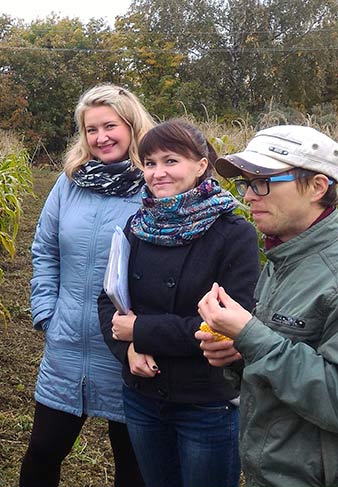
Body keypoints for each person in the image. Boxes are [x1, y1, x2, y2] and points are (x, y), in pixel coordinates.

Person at [196, 125, 338, 487]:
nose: (248, 196)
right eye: (245, 183)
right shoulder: (284, 259)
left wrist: (251, 336)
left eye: (262, 182)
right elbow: (282, 356)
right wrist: (237, 351)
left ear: (317, 187)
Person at [96, 119, 259, 487]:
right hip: (142, 396)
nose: (157, 173)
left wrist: (140, 329)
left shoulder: (233, 234)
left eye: (170, 161)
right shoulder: (137, 225)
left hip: (205, 402)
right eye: (149, 163)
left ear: (201, 165)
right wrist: (129, 352)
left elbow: (226, 326)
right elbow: (106, 299)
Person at [22, 84, 153, 487]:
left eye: (110, 125)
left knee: (132, 464)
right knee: (43, 452)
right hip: (67, 343)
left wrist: (149, 335)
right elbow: (45, 249)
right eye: (91, 129)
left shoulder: (156, 183)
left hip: (129, 350)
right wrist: (47, 311)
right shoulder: (69, 183)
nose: (101, 137)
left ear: (132, 126)